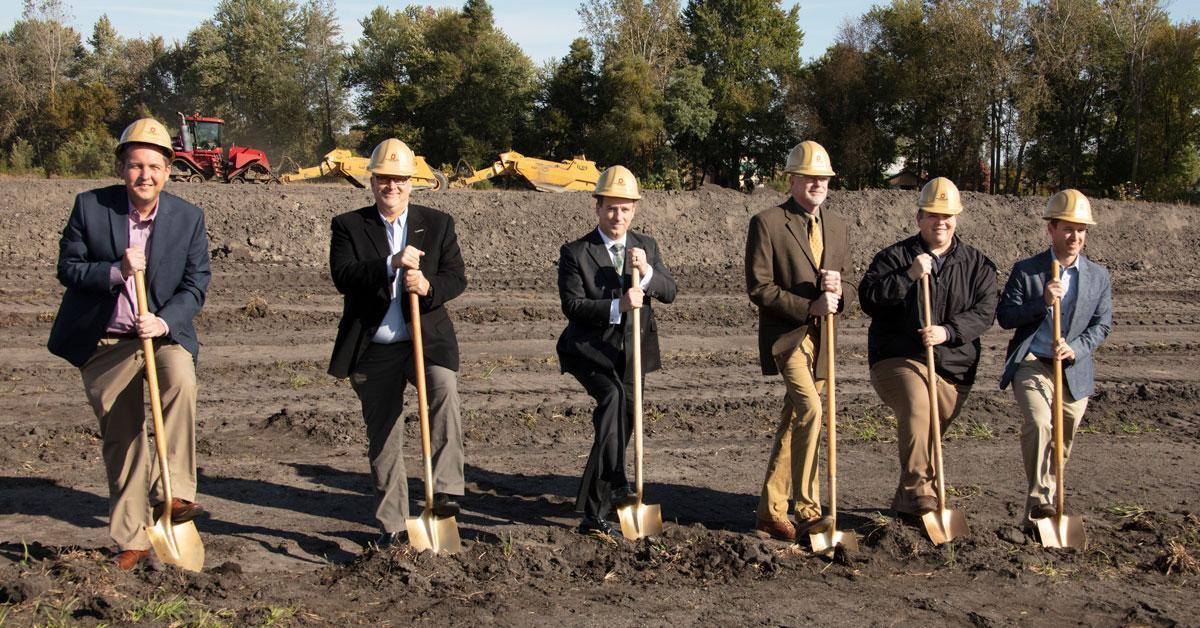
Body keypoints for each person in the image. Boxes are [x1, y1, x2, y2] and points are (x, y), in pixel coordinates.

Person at [47, 118, 212, 570]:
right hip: (107, 341)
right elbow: (68, 268)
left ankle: (174, 493)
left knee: (181, 380)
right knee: (124, 439)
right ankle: (132, 537)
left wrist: (163, 321)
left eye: (155, 167)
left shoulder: (188, 218)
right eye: (136, 165)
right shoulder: (90, 207)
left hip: (161, 335)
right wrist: (115, 271)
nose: (145, 175)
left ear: (168, 171)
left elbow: (196, 283)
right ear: (121, 168)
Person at [328, 138, 467, 549]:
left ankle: (444, 491)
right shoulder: (348, 225)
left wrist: (427, 286)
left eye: (400, 179)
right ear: (372, 181)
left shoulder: (437, 224)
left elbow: (456, 277)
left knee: (443, 387)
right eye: (384, 179)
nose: (392, 186)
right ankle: (392, 526)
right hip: (374, 347)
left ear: (412, 182)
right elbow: (344, 276)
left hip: (426, 341)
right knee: (384, 434)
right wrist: (390, 264)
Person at [859, 177, 997, 520]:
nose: (940, 222)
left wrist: (948, 332)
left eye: (946, 215)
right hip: (899, 358)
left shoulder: (978, 265)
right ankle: (922, 491)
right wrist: (908, 275)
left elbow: (985, 312)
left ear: (956, 218)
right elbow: (869, 299)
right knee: (919, 406)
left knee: (927, 436)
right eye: (933, 215)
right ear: (919, 217)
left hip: (954, 367)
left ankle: (907, 508)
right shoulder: (894, 257)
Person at [557, 165, 677, 535]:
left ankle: (595, 513)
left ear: (634, 210)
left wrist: (648, 273)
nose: (618, 216)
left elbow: (670, 291)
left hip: (633, 353)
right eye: (611, 208)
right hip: (589, 351)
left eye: (625, 209)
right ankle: (617, 481)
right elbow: (572, 306)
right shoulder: (576, 252)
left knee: (619, 424)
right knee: (612, 400)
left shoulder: (646, 246)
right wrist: (617, 306)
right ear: (597, 207)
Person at [745, 141, 856, 542]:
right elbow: (759, 287)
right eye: (809, 177)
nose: (817, 184)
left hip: (823, 341)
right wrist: (809, 306)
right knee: (811, 409)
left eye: (823, 178)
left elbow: (849, 289)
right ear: (792, 179)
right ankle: (808, 510)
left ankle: (770, 512)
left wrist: (839, 292)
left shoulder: (838, 226)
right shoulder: (768, 223)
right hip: (787, 338)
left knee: (794, 422)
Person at [997, 189, 1111, 528]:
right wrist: (1043, 302)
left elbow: (1102, 324)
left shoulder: (1099, 276)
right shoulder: (1027, 271)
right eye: (1067, 229)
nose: (1075, 237)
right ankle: (1041, 501)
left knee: (1061, 444)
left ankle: (1037, 517)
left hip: (1073, 369)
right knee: (1039, 424)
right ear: (1051, 229)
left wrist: (1077, 347)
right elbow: (1006, 316)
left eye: (1081, 230)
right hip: (1032, 362)